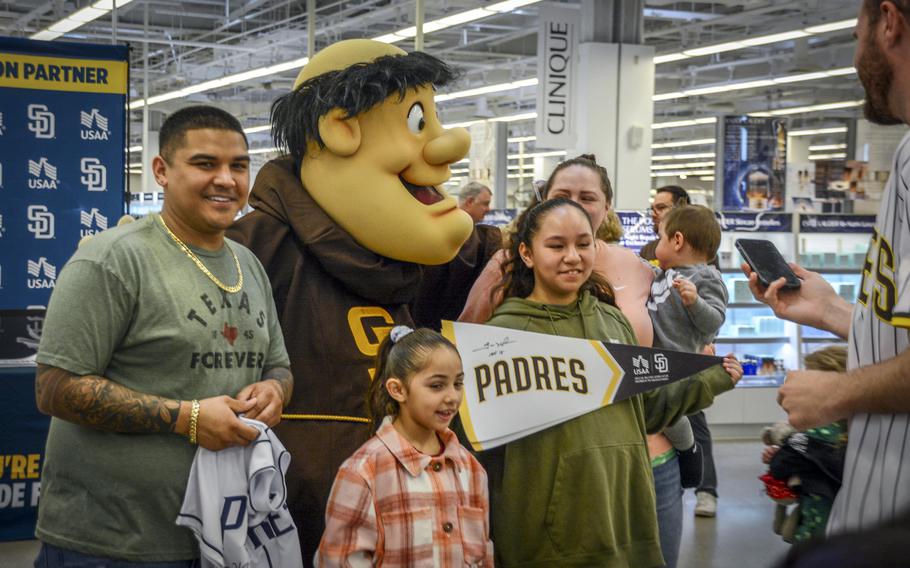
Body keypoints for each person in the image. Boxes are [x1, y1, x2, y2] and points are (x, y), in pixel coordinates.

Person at [226, 40, 474, 563]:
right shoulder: (254, 249)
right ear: (340, 128)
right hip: (288, 506)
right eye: (416, 121)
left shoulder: (410, 254)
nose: (444, 144)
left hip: (399, 501)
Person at [32, 105, 293, 565]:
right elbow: (54, 389)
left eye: (238, 165)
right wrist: (186, 418)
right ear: (161, 171)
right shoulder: (112, 261)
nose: (226, 180)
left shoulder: (247, 263)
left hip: (226, 537)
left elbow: (278, 364)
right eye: (204, 164)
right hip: (112, 543)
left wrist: (275, 389)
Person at [480, 197, 742, 567]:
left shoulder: (612, 322)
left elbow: (646, 408)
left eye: (583, 244)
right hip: (546, 543)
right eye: (556, 246)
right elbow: (483, 454)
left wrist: (708, 380)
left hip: (624, 522)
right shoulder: (502, 336)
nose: (573, 256)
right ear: (526, 253)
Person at [459, 154, 687, 566]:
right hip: (559, 478)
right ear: (542, 199)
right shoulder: (507, 267)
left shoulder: (636, 267)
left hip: (648, 457)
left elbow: (659, 352)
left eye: (589, 196)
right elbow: (465, 358)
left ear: (607, 206)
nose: (577, 205)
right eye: (564, 195)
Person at [743, 0, 910, 534]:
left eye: (857, 33)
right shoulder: (907, 152)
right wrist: (836, 312)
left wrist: (839, 391)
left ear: (890, 23)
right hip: (876, 501)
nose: (857, 56)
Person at [317, 327, 493, 566]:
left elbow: (483, 554)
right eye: (437, 386)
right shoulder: (363, 472)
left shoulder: (471, 470)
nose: (452, 397)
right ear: (397, 389)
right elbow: (337, 560)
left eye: (458, 384)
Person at [640, 185, 722, 519]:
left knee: (671, 414)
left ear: (676, 241)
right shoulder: (665, 271)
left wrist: (694, 301)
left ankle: (689, 453)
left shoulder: (705, 277)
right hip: (656, 357)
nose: (656, 245)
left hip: (676, 362)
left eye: (660, 237)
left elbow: (714, 320)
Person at [760, 346, 848, 543]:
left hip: (817, 528)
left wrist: (783, 447)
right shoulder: (849, 426)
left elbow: (781, 464)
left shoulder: (818, 431)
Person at [639, 185, 691, 262]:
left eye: (661, 207)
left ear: (681, 209)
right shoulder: (647, 250)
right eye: (652, 209)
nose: (653, 214)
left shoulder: (699, 249)